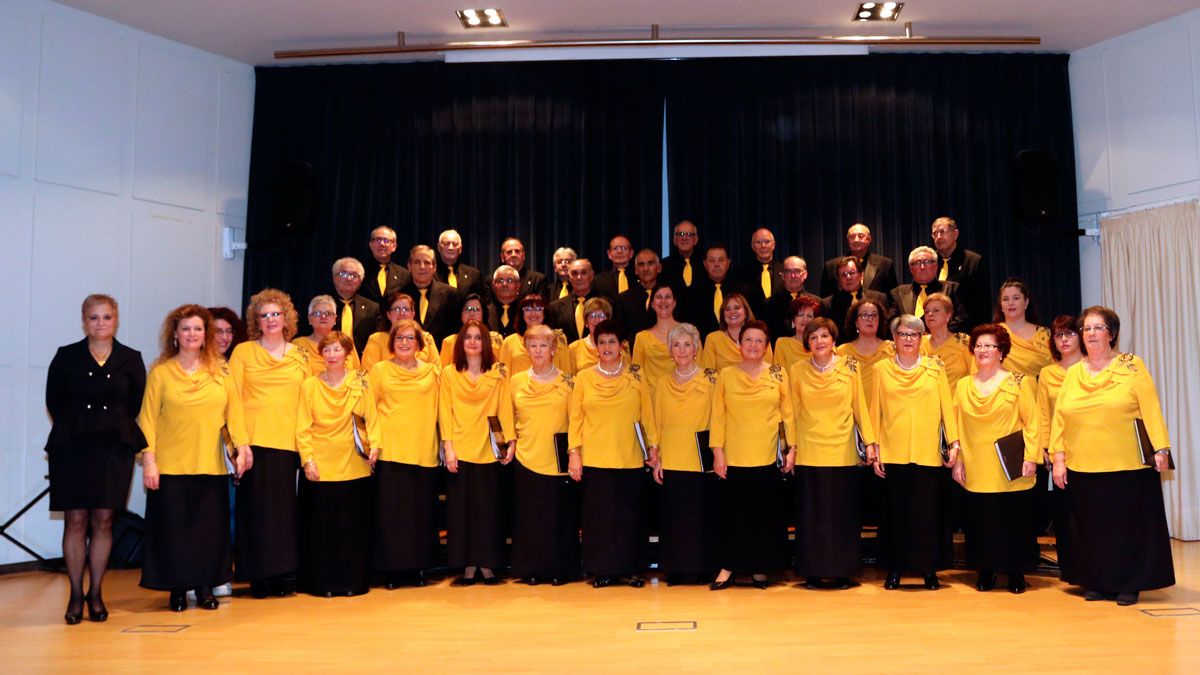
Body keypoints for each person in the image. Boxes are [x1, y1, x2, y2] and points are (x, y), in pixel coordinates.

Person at [1050, 306, 1174, 606]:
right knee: (1094, 529)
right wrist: (1059, 458)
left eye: (1097, 328)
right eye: (1087, 329)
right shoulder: (1074, 372)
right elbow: (1060, 418)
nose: (1090, 334)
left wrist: (1161, 448)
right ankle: (1099, 581)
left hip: (1127, 462)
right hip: (1084, 464)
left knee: (1127, 528)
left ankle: (1130, 583)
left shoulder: (1132, 366)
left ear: (1112, 334)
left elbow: (1151, 407)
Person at [137, 305, 249, 612]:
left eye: (198, 329)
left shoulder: (221, 372)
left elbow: (234, 413)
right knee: (174, 533)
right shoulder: (160, 373)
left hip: (210, 464)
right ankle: (177, 589)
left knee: (208, 534)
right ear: (175, 334)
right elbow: (146, 421)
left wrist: (243, 446)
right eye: (185, 329)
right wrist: (149, 462)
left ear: (206, 335)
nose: (192, 334)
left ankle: (204, 588)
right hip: (171, 467)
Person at [45, 294, 147, 624]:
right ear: (84, 320)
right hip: (73, 446)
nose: (100, 323)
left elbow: (134, 404)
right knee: (75, 521)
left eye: (106, 317)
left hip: (113, 449)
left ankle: (97, 592)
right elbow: (54, 401)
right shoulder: (66, 357)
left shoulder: (131, 359)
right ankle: (75, 594)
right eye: (94, 318)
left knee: (103, 521)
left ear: (115, 320)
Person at [229, 288, 310, 598]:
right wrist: (241, 443)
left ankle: (280, 574)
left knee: (283, 515)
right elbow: (233, 399)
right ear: (256, 321)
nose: (271, 319)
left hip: (288, 444)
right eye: (264, 315)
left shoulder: (300, 355)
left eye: (276, 314)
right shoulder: (243, 352)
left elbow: (308, 399)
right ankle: (257, 576)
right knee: (255, 513)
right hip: (254, 444)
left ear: (287, 317)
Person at [870, 314, 960, 591]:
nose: (908, 340)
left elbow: (947, 406)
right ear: (894, 339)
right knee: (895, 515)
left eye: (914, 335)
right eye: (903, 334)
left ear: (922, 339)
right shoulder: (881, 369)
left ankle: (928, 569)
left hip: (927, 451)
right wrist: (874, 449)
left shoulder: (936, 368)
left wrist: (954, 443)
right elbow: (875, 410)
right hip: (893, 452)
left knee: (926, 515)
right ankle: (894, 569)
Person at [951, 325, 1041, 594]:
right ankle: (986, 570)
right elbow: (955, 426)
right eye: (978, 345)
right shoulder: (963, 384)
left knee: (1013, 519)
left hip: (1010, 464)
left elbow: (1033, 422)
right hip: (977, 463)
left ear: (1001, 352)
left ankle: (1015, 573)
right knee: (982, 521)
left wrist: (1032, 457)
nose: (983, 350)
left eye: (990, 346)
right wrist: (957, 461)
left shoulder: (1019, 381)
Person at [790, 317, 877, 589]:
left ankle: (842, 572)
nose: (819, 342)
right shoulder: (796, 371)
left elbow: (860, 407)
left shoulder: (849, 369)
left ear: (833, 340)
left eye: (824, 336)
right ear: (807, 343)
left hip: (842, 451)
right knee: (812, 515)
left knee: (842, 515)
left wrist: (871, 443)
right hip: (809, 450)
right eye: (814, 337)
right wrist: (791, 448)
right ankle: (813, 572)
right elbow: (791, 413)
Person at [568, 320, 654, 588]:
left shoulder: (637, 376)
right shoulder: (583, 377)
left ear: (621, 346)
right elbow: (575, 418)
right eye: (602, 342)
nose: (607, 347)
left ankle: (631, 569)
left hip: (629, 456)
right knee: (599, 519)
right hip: (595, 458)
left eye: (612, 342)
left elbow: (648, 416)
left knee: (629, 517)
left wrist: (654, 448)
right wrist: (574, 453)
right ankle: (602, 569)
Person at [709, 320, 794, 590]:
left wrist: (792, 448)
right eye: (748, 340)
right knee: (733, 516)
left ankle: (761, 567)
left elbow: (789, 415)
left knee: (763, 516)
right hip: (734, 456)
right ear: (739, 344)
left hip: (766, 455)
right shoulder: (726, 375)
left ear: (766, 346)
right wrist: (718, 452)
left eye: (759, 340)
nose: (753, 345)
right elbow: (718, 416)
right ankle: (728, 567)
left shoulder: (779, 373)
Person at [296, 331, 377, 597]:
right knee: (323, 530)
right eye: (327, 350)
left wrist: (374, 448)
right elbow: (302, 427)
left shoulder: (362, 382)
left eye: (337, 350)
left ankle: (353, 582)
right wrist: (308, 460)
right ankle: (324, 584)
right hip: (321, 465)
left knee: (353, 529)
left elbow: (372, 419)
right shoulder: (309, 386)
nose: (332, 355)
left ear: (347, 354)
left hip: (354, 464)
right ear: (321, 354)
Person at [439, 320, 515, 585]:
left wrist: (510, 441)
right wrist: (448, 447)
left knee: (488, 511)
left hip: (488, 450)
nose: (472, 342)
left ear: (485, 343)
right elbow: (444, 411)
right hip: (460, 449)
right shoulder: (449, 373)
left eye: (478, 338)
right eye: (468, 337)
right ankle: (468, 566)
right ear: (461, 343)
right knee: (461, 513)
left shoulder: (497, 373)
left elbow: (505, 408)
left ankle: (488, 564)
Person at [368, 320, 442, 588]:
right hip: (390, 451)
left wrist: (446, 444)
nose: (404, 342)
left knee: (420, 515)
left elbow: (440, 410)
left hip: (423, 451)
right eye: (399, 338)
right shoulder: (379, 370)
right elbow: (369, 410)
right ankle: (392, 570)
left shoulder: (434, 373)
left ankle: (418, 568)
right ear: (392, 342)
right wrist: (373, 443)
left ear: (420, 344)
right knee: (391, 515)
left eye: (410, 338)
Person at [509, 325, 581, 585]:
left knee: (560, 516)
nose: (538, 350)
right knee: (531, 517)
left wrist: (575, 453)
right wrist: (511, 443)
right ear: (526, 349)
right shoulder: (516, 381)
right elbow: (508, 418)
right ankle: (532, 569)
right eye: (533, 345)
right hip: (527, 456)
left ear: (553, 350)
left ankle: (561, 569)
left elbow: (576, 420)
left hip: (559, 457)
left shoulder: (569, 381)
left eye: (543, 345)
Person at [648, 323, 717, 585]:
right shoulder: (662, 384)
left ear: (696, 349)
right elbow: (656, 421)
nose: (682, 349)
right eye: (676, 345)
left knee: (701, 515)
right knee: (674, 516)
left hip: (701, 457)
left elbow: (719, 418)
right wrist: (658, 456)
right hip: (673, 457)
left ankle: (702, 567)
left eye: (687, 344)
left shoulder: (711, 378)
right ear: (670, 351)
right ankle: (675, 568)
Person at [931, 216, 988, 330]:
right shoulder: (930, 261)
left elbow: (982, 302)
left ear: (955, 234)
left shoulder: (973, 261)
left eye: (942, 232)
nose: (938, 237)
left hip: (966, 329)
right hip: (934, 330)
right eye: (935, 233)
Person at [683, 243, 752, 338]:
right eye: (711, 261)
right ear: (705, 264)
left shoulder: (743, 291)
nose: (716, 264)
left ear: (728, 263)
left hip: (738, 346)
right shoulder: (691, 293)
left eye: (721, 260)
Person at [889, 246, 965, 330]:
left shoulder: (952, 288)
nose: (922, 267)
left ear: (936, 266)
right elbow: (893, 323)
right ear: (911, 268)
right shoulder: (897, 293)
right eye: (917, 263)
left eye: (927, 262)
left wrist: (936, 334)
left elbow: (961, 318)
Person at [401, 245, 461, 347]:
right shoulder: (398, 295)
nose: (422, 267)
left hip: (441, 356)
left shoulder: (450, 294)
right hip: (405, 355)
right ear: (409, 266)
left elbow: (455, 331)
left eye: (427, 262)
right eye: (417, 262)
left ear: (434, 268)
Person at [361, 291, 439, 369]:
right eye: (396, 309)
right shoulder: (376, 339)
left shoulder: (426, 338)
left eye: (406, 309)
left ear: (413, 314)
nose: (402, 313)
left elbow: (436, 371)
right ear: (388, 315)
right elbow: (368, 373)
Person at [836, 298, 895, 399]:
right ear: (856, 323)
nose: (870, 319)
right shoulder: (842, 351)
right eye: (864, 315)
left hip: (885, 408)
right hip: (853, 409)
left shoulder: (892, 348)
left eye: (874, 315)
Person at [498, 293, 570, 375]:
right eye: (528, 309)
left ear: (545, 313)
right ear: (522, 314)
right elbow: (503, 376)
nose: (533, 313)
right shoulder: (510, 342)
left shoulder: (558, 338)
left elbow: (566, 372)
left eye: (538, 309)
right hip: (519, 387)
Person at [994, 277, 1052, 378]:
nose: (1010, 303)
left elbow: (1056, 370)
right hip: (1002, 393)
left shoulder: (1045, 335)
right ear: (1001, 305)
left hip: (1037, 392)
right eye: (1006, 299)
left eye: (1016, 298)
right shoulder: (992, 334)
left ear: (1026, 302)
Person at [820, 223, 898, 297]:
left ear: (869, 239)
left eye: (861, 236)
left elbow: (893, 298)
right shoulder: (831, 266)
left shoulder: (885, 264)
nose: (856, 240)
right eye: (852, 237)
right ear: (848, 240)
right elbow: (825, 300)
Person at [700, 293, 773, 372]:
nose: (732, 312)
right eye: (727, 309)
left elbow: (769, 370)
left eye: (737, 308)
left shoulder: (760, 336)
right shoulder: (713, 339)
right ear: (722, 315)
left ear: (746, 312)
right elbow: (708, 374)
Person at [821, 257, 890, 340]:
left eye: (851, 272)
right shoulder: (828, 304)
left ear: (861, 275)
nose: (848, 277)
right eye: (843, 274)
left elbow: (885, 331)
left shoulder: (880, 299)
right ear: (839, 279)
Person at [293, 295, 361, 375]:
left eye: (328, 313)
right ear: (309, 318)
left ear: (335, 319)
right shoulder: (298, 345)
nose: (323, 316)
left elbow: (358, 375)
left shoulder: (346, 343)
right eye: (317, 313)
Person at [919, 293, 973, 389]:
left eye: (936, 310)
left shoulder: (964, 341)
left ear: (948, 315)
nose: (930, 314)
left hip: (956, 402)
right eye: (927, 312)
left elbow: (975, 375)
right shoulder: (918, 343)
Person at [631, 285, 681, 386]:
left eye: (668, 297)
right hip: (650, 397)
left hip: (682, 395)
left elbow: (699, 369)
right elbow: (635, 375)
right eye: (659, 297)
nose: (663, 301)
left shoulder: (689, 334)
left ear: (674, 302)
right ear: (652, 304)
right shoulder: (641, 337)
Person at [331, 257, 380, 355]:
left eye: (354, 275)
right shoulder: (322, 305)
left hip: (361, 361)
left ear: (360, 282)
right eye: (343, 274)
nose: (349, 278)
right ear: (334, 278)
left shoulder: (372, 308)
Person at [568, 297, 630, 373]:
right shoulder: (574, 348)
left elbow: (629, 374)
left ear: (608, 320)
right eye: (592, 316)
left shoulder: (622, 345)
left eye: (601, 315)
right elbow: (569, 381)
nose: (597, 320)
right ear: (586, 322)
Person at [766, 256, 820, 342]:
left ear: (805, 274)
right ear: (782, 275)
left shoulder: (818, 303)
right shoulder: (769, 305)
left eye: (797, 271)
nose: (793, 276)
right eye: (788, 271)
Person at [443, 293, 504, 366]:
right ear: (460, 314)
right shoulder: (449, 342)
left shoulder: (496, 340)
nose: (471, 313)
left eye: (476, 309)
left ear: (484, 313)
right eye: (467, 309)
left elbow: (503, 369)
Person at [546, 258, 599, 343]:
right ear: (569, 277)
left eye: (584, 272)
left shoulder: (605, 305)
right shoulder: (555, 308)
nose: (579, 277)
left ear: (592, 276)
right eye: (574, 273)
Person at [734, 228, 783, 318]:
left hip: (781, 326)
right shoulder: (741, 273)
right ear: (753, 246)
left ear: (774, 245)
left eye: (767, 241)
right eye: (759, 242)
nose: (763, 246)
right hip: (752, 325)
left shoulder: (785, 270)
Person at [614, 249, 663, 339]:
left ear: (659, 268)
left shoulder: (669, 297)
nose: (646, 269)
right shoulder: (624, 299)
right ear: (636, 270)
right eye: (641, 264)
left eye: (650, 263)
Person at [360, 226, 411, 306]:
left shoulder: (404, 274)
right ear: (371, 245)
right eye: (378, 240)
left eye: (386, 241)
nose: (382, 244)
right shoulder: (359, 271)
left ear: (394, 246)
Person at [772, 295, 822, 372]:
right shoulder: (782, 343)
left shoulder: (821, 345)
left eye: (809, 316)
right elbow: (777, 375)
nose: (805, 319)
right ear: (793, 320)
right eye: (800, 315)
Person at [435, 229, 484, 298]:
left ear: (460, 249)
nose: (451, 248)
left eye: (455, 244)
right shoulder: (430, 273)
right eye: (446, 243)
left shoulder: (474, 275)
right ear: (439, 247)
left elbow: (479, 303)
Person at [660, 219, 699, 296]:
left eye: (689, 234)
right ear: (674, 239)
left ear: (696, 240)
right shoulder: (664, 265)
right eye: (680, 234)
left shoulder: (706, 263)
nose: (684, 238)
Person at [593, 234, 635, 302]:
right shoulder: (599, 280)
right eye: (615, 248)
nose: (619, 252)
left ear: (631, 253)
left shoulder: (639, 276)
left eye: (623, 248)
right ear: (609, 254)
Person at [484, 265, 522, 339]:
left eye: (510, 280)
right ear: (493, 285)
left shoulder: (525, 312)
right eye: (500, 281)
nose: (504, 284)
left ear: (518, 286)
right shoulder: (484, 312)